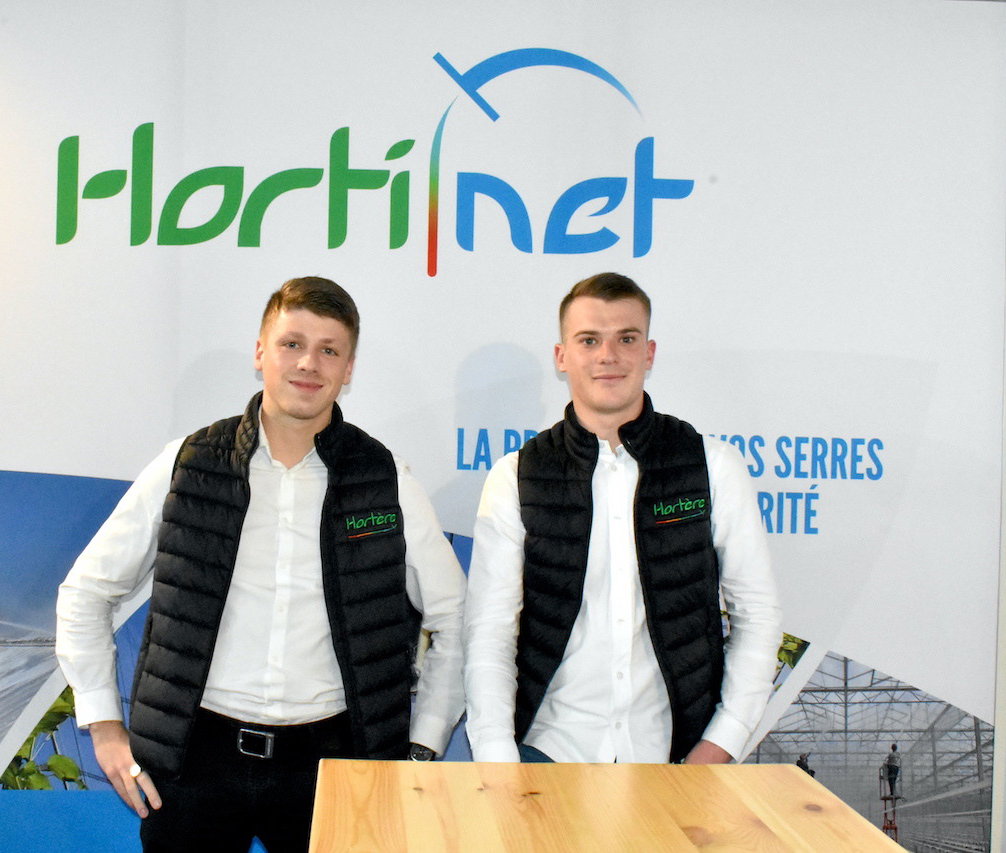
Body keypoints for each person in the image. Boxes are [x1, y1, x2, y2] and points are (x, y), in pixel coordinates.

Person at [56, 277, 466, 853]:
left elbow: (456, 616)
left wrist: (423, 746)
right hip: (193, 763)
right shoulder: (188, 464)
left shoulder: (384, 479)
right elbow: (85, 593)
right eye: (291, 343)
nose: (309, 363)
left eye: (329, 350)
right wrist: (103, 725)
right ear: (260, 352)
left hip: (332, 767)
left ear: (349, 368)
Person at [464, 272, 781, 766]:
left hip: (675, 762)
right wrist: (498, 758)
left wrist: (722, 743)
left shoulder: (711, 466)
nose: (608, 356)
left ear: (649, 353)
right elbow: (489, 632)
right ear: (562, 356)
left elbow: (757, 615)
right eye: (589, 340)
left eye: (626, 339)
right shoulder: (516, 476)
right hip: (544, 756)